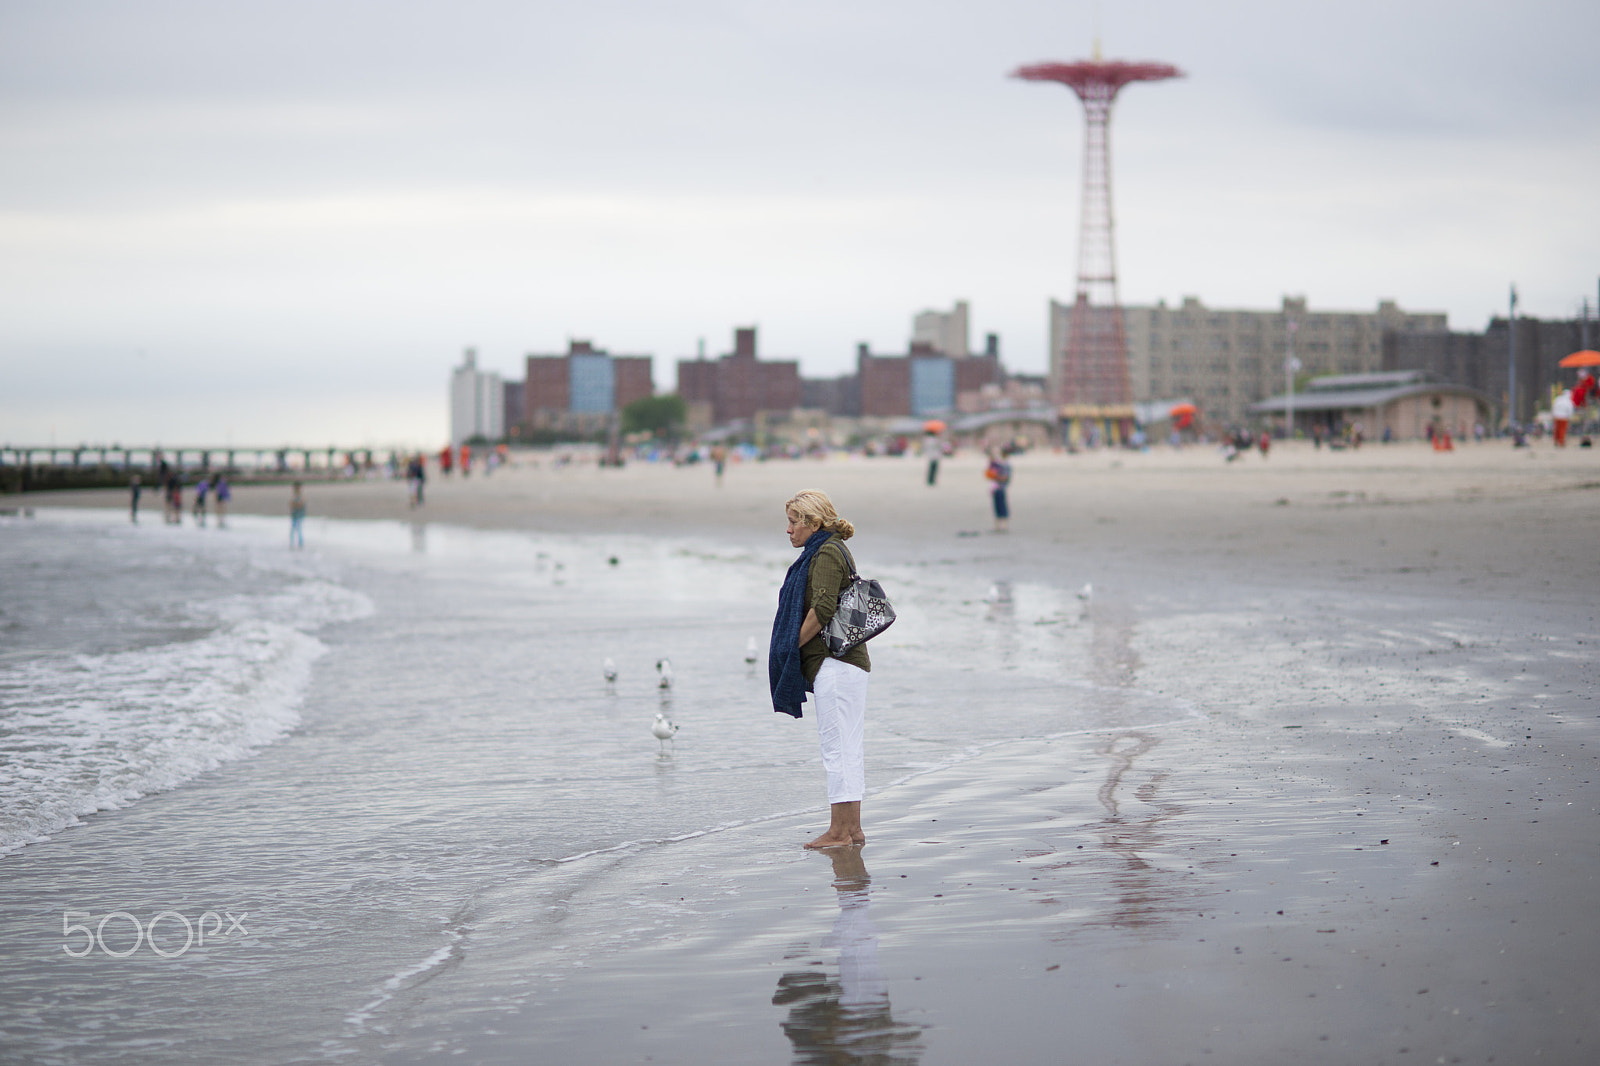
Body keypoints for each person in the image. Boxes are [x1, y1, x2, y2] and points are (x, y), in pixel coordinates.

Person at [769, 490, 871, 850]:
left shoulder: (827, 551)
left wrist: (789, 644)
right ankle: (853, 829)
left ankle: (839, 832)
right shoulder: (829, 548)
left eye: (794, 522)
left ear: (813, 523)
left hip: (836, 664)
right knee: (847, 748)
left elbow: (824, 606)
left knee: (836, 750)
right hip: (844, 666)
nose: (789, 529)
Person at [985, 449, 1011, 532]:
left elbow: (1005, 478)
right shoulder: (996, 465)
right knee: (996, 507)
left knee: (1002, 507)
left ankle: (1004, 525)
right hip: (995, 488)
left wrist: (995, 476)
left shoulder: (1005, 465)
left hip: (1001, 488)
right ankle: (997, 525)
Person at [289, 481, 306, 549]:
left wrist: (295, 504)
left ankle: (300, 544)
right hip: (294, 514)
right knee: (293, 530)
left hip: (299, 514)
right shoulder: (294, 495)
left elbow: (301, 504)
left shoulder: (301, 495)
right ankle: (292, 544)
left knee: (298, 530)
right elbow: (291, 504)